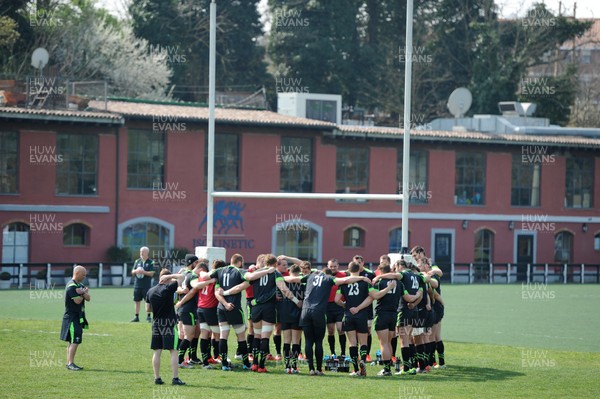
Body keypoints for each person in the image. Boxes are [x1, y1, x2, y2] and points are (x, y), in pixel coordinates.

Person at [284, 261, 370, 376]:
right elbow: (345, 280)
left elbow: (293, 279)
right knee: (318, 341)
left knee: (308, 341)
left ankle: (311, 369)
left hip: (305, 311)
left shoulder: (310, 276)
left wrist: (280, 278)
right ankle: (319, 369)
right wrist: (362, 278)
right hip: (318, 312)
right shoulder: (328, 279)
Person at [335, 261, 396, 377]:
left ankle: (356, 369)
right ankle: (363, 359)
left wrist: (346, 305)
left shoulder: (343, 283)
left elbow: (337, 299)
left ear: (348, 270)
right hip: (362, 315)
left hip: (348, 315)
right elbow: (374, 296)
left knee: (352, 343)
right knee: (363, 342)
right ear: (359, 270)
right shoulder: (365, 282)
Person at [146, 269, 186, 385]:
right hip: (168, 323)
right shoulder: (168, 288)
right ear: (167, 279)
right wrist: (173, 275)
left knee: (157, 351)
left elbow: (147, 309)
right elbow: (182, 277)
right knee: (173, 350)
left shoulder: (150, 291)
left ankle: (157, 378)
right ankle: (175, 378)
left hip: (156, 323)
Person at [61, 265, 91, 371]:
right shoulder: (71, 286)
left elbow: (88, 298)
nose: (84, 277)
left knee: (72, 340)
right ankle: (70, 363)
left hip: (78, 317)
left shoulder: (80, 285)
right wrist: (83, 292)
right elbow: (77, 300)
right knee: (75, 340)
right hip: (72, 318)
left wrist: (82, 292)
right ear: (77, 273)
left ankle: (69, 362)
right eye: (83, 274)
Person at [325, 258, 347, 358]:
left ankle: (343, 353)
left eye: (335, 266)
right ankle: (332, 352)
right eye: (331, 266)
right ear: (328, 266)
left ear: (338, 266)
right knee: (330, 331)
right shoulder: (324, 276)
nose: (333, 268)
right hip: (327, 306)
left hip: (339, 305)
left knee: (340, 329)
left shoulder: (343, 276)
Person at [131, 246, 156, 322]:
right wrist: (136, 271)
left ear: (147, 253)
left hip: (146, 286)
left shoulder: (151, 262)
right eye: (140, 251)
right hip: (137, 285)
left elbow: (152, 273)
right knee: (137, 301)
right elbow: (132, 271)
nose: (141, 253)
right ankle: (136, 317)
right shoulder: (137, 261)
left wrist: (143, 272)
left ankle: (148, 317)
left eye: (143, 252)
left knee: (147, 301)